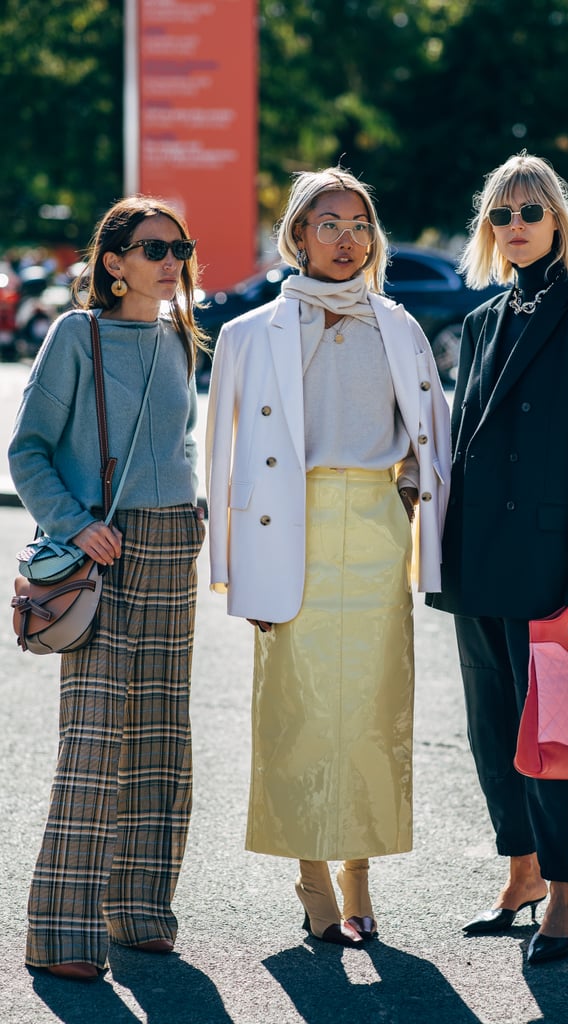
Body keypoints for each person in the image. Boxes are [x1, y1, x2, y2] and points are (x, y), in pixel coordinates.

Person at [206, 167, 451, 947]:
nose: (346, 240)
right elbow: (223, 457)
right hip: (288, 532)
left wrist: (404, 499)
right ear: (297, 237)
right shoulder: (248, 333)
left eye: (358, 225)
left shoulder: (399, 326)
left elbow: (430, 436)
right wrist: (233, 567)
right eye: (327, 224)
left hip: (376, 532)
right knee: (297, 707)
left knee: (375, 710)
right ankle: (310, 873)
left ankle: (359, 875)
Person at [428, 154, 568, 964]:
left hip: (550, 565)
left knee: (553, 737)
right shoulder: (480, 323)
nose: (514, 224)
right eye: (500, 214)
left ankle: (565, 895)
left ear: (558, 221)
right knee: (490, 729)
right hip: (477, 561)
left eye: (529, 210)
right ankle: (516, 872)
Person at [8, 196, 207, 981]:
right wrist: (72, 522)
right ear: (112, 261)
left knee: (162, 738)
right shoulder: (75, 335)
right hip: (102, 552)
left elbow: (178, 445)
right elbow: (27, 451)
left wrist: (193, 514)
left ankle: (140, 912)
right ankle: (59, 933)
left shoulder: (179, 339)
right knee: (93, 744)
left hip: (170, 549)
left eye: (179, 248)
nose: (171, 261)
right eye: (154, 248)